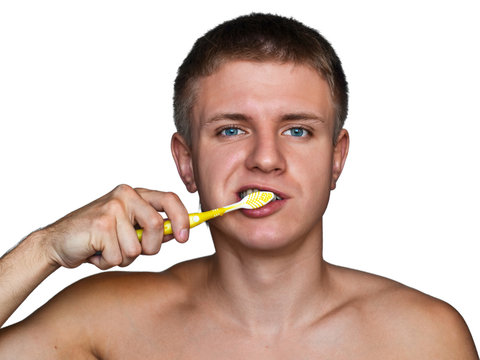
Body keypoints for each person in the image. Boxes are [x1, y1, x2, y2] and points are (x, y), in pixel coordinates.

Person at [0, 13, 477, 359]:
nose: (265, 158)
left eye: (297, 130)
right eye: (232, 129)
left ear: (337, 159)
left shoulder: (426, 338)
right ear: (186, 163)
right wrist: (43, 250)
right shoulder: (101, 323)